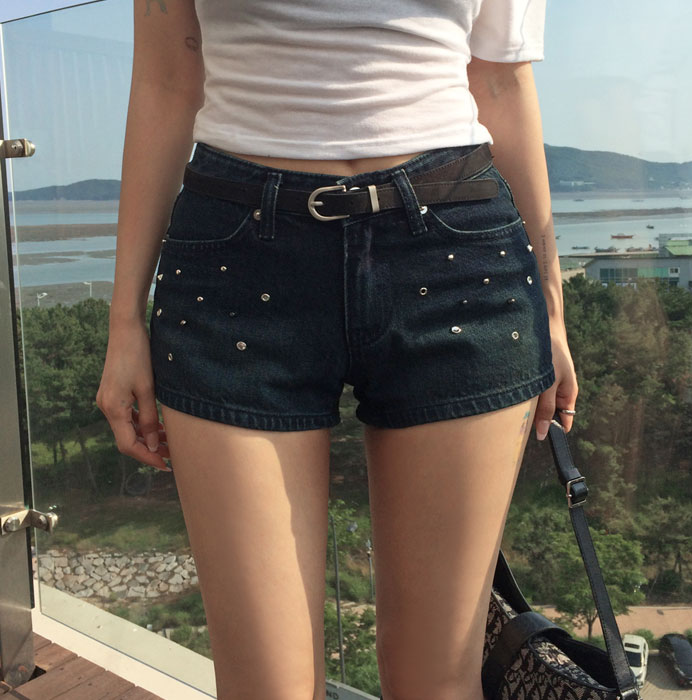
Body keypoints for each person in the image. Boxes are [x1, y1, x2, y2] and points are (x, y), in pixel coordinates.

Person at [96, 0, 577, 699]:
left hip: (454, 249)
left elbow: (501, 79)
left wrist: (552, 309)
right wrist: (124, 323)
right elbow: (168, 79)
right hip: (238, 259)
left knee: (439, 683)